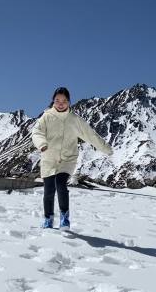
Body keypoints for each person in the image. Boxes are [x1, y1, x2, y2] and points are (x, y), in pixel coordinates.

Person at [31, 87, 113, 230]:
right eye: (57, 100)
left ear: (69, 102)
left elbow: (90, 135)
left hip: (67, 159)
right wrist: (42, 144)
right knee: (49, 190)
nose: (60, 103)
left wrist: (105, 148)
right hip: (49, 159)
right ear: (53, 101)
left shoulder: (75, 119)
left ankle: (64, 217)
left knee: (60, 184)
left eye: (64, 101)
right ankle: (48, 218)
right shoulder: (46, 117)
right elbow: (36, 132)